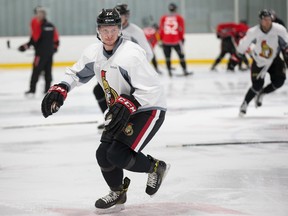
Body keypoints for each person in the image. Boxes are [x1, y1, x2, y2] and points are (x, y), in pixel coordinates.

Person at [41, 8, 169, 212]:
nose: (109, 35)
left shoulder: (131, 53)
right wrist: (62, 87)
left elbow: (152, 89)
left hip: (148, 108)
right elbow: (75, 73)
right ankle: (118, 193)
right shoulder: (93, 52)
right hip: (123, 108)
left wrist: (130, 103)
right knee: (103, 154)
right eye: (104, 30)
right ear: (98, 31)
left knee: (117, 154)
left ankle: (155, 167)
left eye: (113, 29)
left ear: (120, 30)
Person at [93, 3, 154, 130]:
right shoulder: (110, 29)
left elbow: (148, 52)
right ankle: (110, 116)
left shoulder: (135, 31)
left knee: (125, 95)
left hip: (129, 71)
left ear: (127, 17)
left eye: (122, 16)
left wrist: (137, 69)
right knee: (100, 90)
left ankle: (125, 120)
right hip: (112, 69)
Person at [235, 9, 288, 116]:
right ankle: (244, 104)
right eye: (265, 19)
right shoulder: (253, 32)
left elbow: (286, 44)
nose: (267, 21)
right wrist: (239, 52)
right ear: (260, 20)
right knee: (257, 85)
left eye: (269, 19)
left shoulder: (279, 29)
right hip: (259, 61)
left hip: (274, 59)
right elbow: (244, 43)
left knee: (279, 81)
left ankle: (262, 93)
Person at [19, 7, 59, 96]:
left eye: (39, 14)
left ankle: (32, 90)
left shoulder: (39, 26)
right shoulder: (51, 25)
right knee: (48, 72)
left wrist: (25, 46)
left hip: (40, 55)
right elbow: (56, 39)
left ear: (42, 15)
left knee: (36, 71)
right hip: (49, 54)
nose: (37, 16)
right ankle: (47, 90)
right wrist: (54, 49)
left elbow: (34, 39)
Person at [159, 3, 191, 77]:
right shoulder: (179, 18)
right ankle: (185, 70)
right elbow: (181, 29)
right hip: (176, 41)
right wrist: (182, 39)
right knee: (181, 56)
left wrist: (160, 39)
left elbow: (161, 29)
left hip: (165, 41)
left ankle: (169, 71)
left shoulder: (163, 17)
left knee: (167, 57)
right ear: (175, 9)